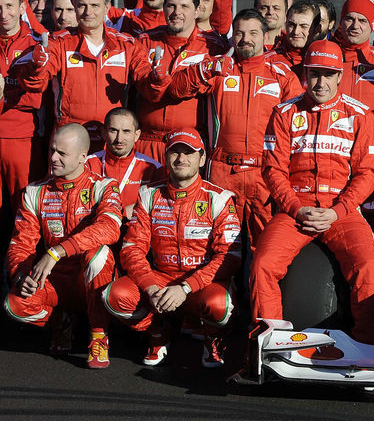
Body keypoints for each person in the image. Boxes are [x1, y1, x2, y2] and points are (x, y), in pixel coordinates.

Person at [249, 44, 374, 343]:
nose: (320, 83)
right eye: (314, 75)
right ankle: (270, 342)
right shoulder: (284, 112)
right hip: (295, 209)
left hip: (341, 210)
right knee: (262, 264)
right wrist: (297, 209)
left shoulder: (361, 115)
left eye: (328, 75)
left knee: (367, 267)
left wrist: (338, 210)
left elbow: (368, 173)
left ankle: (366, 347)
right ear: (305, 75)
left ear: (340, 76)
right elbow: (273, 170)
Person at [166, 9, 302, 254]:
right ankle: (223, 293)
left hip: (265, 175)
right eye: (239, 33)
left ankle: (259, 293)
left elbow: (298, 127)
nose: (245, 39)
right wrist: (206, 69)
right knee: (220, 247)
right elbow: (176, 89)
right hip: (222, 172)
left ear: (264, 36)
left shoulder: (282, 74)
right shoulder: (219, 68)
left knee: (267, 249)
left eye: (252, 33)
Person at [103, 128, 242, 367]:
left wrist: (187, 288)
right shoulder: (148, 194)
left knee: (221, 305)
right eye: (175, 152)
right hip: (160, 282)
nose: (181, 159)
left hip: (200, 285)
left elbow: (229, 258)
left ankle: (211, 337)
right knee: (114, 295)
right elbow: (131, 249)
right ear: (166, 158)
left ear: (202, 159)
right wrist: (150, 287)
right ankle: (158, 332)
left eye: (188, 153)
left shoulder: (219, 198)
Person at [5, 124, 123, 369]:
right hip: (54, 281)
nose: (53, 158)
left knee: (98, 254)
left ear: (83, 157)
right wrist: (21, 275)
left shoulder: (103, 187)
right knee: (13, 305)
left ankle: (99, 334)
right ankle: (61, 319)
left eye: (62, 154)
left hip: (87, 277)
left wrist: (57, 251)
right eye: (52, 151)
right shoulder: (35, 192)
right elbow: (20, 243)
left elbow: (110, 228)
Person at [20, 0, 152, 149]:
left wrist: (157, 76)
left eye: (95, 5)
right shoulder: (59, 43)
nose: (88, 12)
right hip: (70, 141)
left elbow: (151, 89)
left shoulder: (127, 45)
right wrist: (36, 67)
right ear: (74, 7)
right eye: (82, 5)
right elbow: (35, 84)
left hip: (112, 141)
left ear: (107, 7)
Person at [135, 0, 231, 161]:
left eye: (184, 6)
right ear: (163, 8)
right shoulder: (145, 40)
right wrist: (155, 80)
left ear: (197, 11)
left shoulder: (212, 46)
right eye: (171, 5)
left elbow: (197, 90)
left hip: (188, 145)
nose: (177, 12)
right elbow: (144, 89)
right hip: (146, 142)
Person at [0, 0, 45, 222]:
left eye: (9, 6)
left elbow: (34, 98)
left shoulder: (36, 45)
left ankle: (23, 259)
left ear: (21, 8)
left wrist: (5, 96)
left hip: (22, 139)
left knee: (24, 209)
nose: (3, 13)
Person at [86, 107, 162, 219]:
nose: (119, 139)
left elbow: (158, 209)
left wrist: (121, 214)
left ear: (137, 135)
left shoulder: (152, 168)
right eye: (113, 130)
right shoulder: (87, 164)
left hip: (133, 231)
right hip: (96, 228)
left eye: (126, 131)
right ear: (103, 132)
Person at [269, 0, 321, 75]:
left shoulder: (324, 60)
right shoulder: (268, 61)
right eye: (291, 25)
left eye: (303, 26)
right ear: (285, 24)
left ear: (317, 29)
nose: (296, 32)